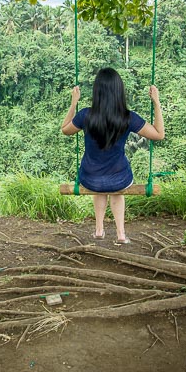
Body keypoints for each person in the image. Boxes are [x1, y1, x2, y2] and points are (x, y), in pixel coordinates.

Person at [61, 67, 165, 243]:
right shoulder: (128, 117)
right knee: (116, 191)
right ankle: (121, 234)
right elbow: (159, 134)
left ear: (97, 91)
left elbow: (65, 129)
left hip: (90, 178)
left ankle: (99, 230)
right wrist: (156, 102)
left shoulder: (86, 115)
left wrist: (73, 104)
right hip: (119, 178)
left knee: (99, 187)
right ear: (119, 91)